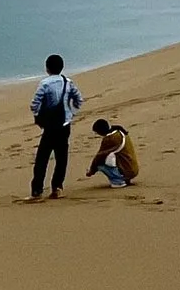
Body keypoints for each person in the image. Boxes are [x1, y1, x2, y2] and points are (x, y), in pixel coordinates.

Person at [29, 55, 81, 201]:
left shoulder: (45, 83)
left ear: (47, 68)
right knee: (61, 157)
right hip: (65, 125)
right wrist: (71, 113)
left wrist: (38, 115)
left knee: (42, 158)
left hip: (51, 126)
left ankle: (37, 191)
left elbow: (35, 103)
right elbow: (78, 99)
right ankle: (57, 187)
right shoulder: (68, 82)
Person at [85, 119, 139, 187]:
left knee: (100, 165)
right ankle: (125, 178)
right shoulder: (120, 131)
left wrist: (91, 171)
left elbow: (99, 157)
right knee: (113, 156)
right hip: (133, 168)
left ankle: (118, 181)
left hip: (128, 170)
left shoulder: (110, 139)